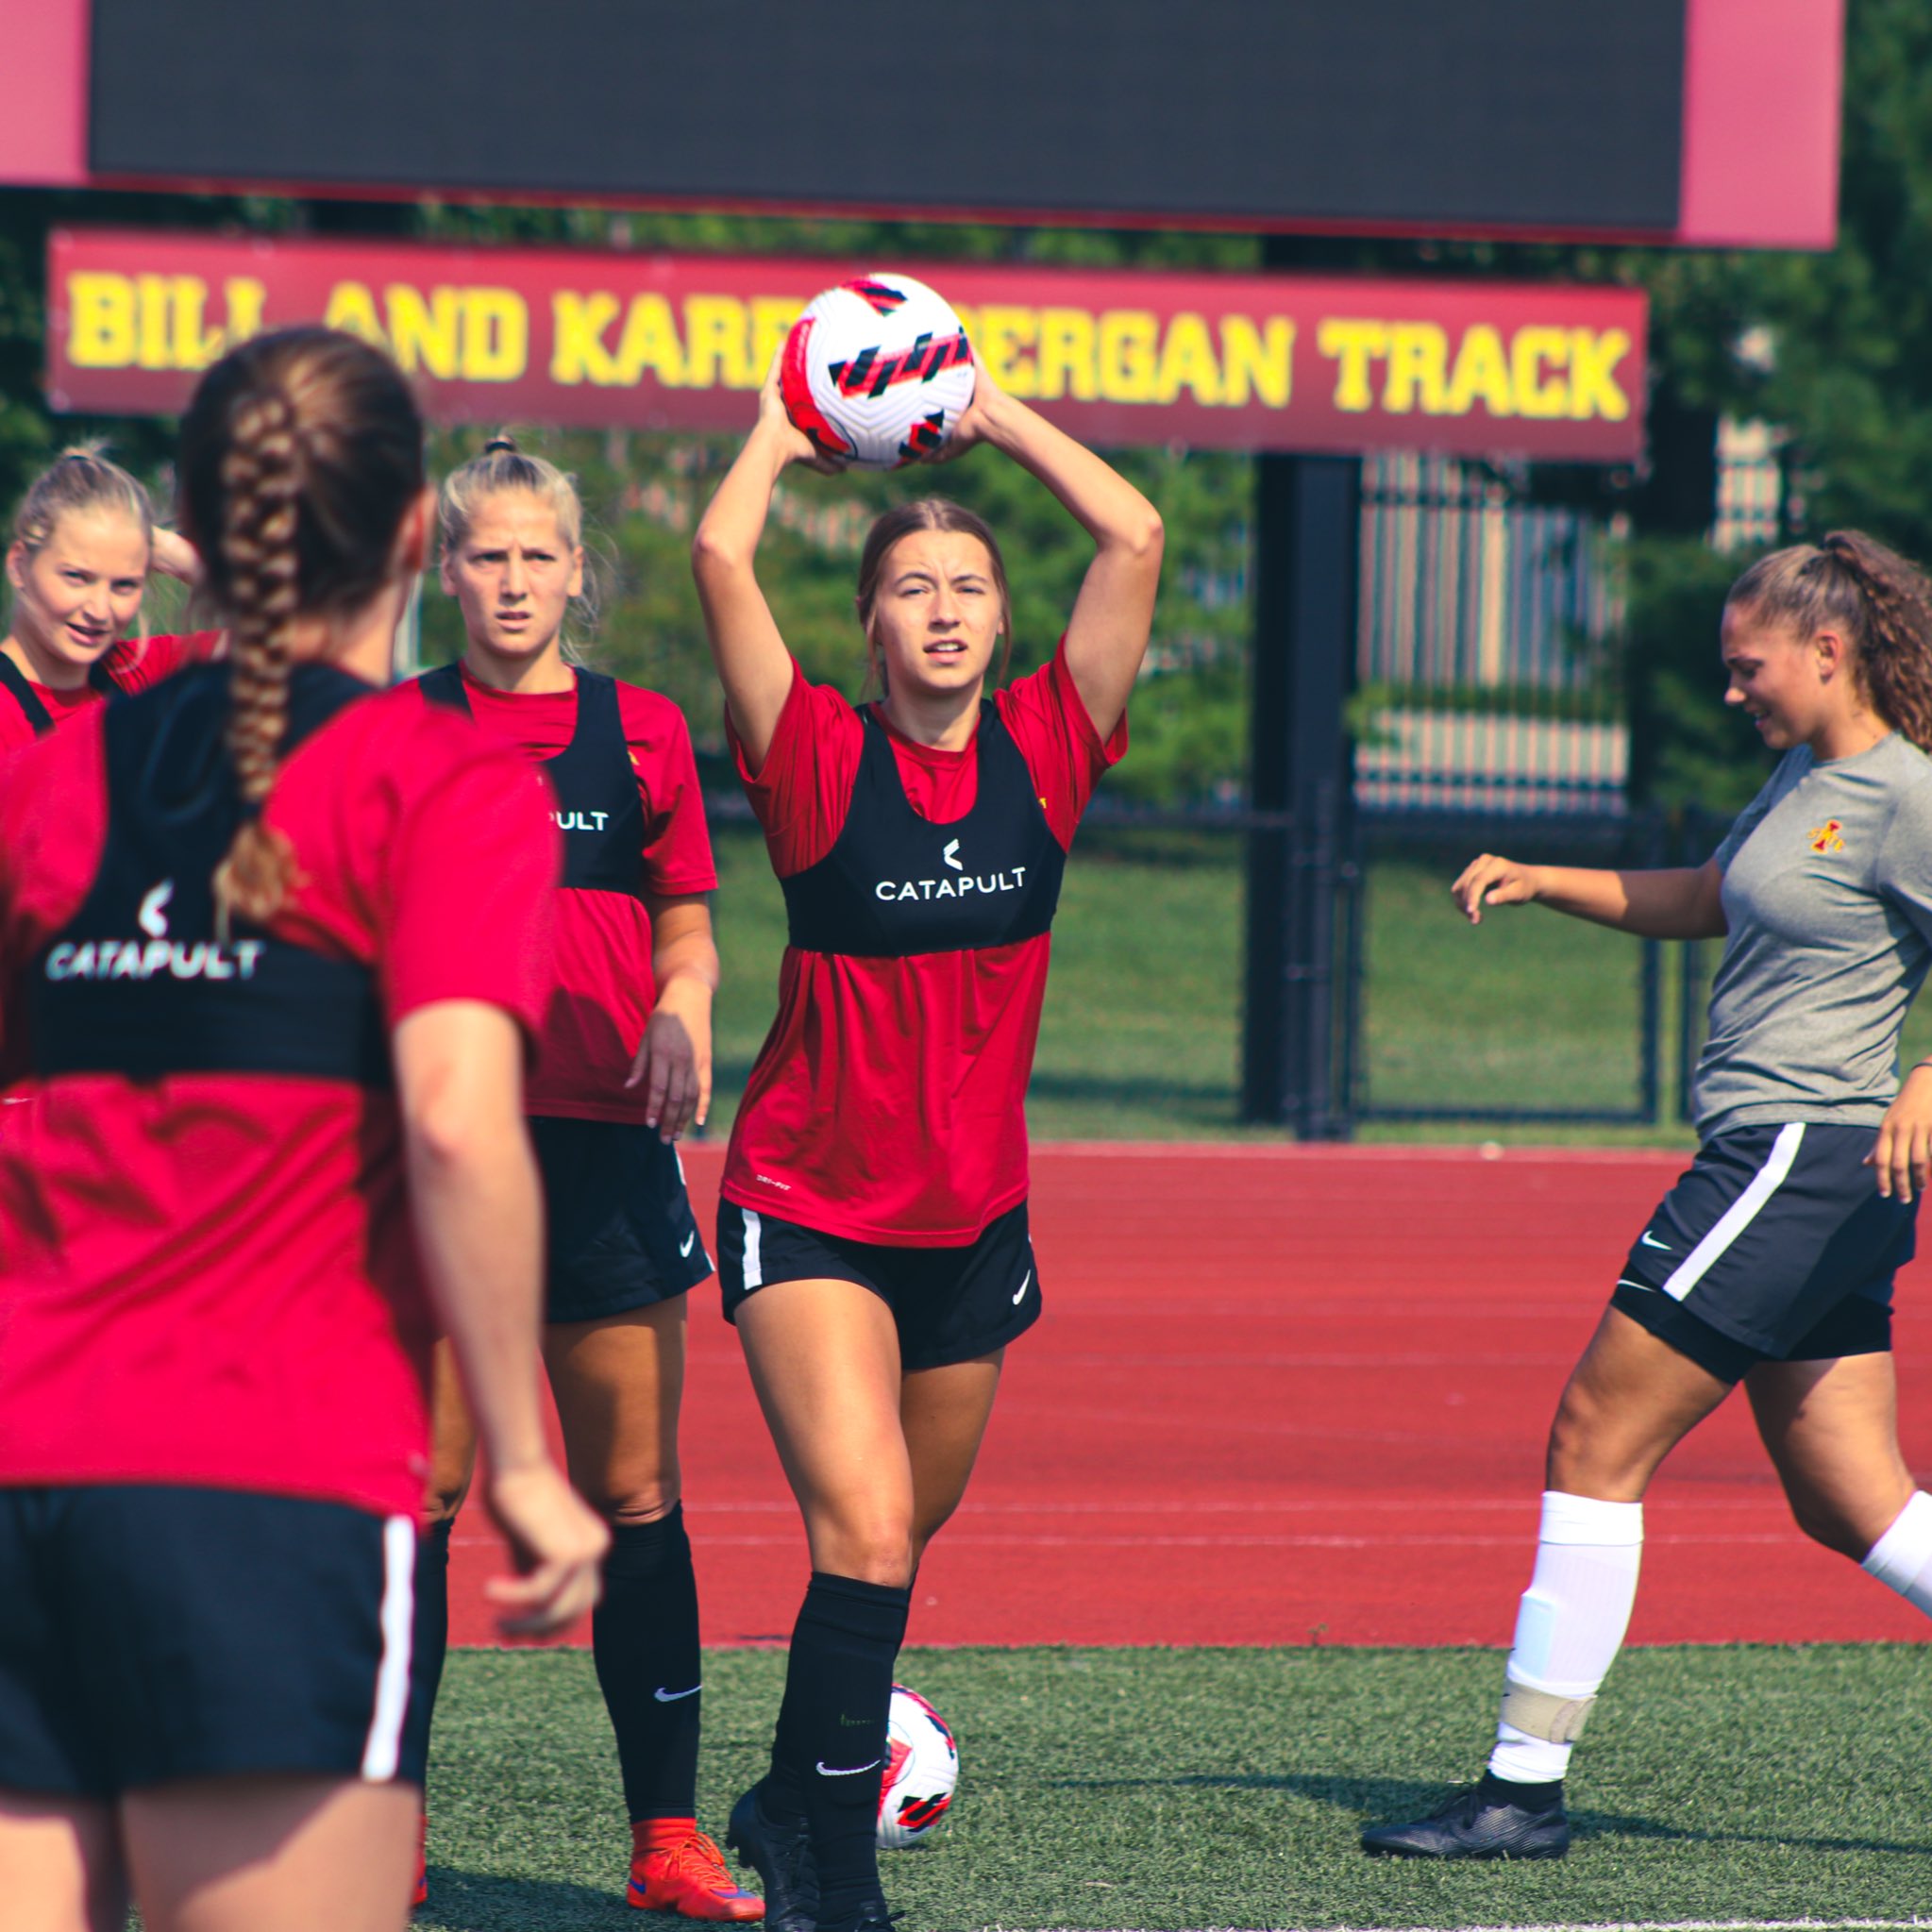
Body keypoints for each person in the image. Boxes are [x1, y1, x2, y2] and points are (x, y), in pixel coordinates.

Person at [0, 326, 608, 1932]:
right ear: (419, 534)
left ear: (186, 533)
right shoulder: (447, 782)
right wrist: (531, 1465)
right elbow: (464, 1131)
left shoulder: (61, 778)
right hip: (269, 1486)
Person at [1362, 530, 1932, 1860]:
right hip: (1805, 1171)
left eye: (1748, 667)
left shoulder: (1903, 792)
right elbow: (1706, 898)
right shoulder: (1801, 778)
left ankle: (1520, 1784)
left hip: (1797, 1157)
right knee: (1850, 1498)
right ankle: (1520, 1779)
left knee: (1589, 1436)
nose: (1731, 689)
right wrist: (1540, 876)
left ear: (1825, 651)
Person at [690, 357, 1163, 1932]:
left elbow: (1135, 532)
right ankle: (824, 1873)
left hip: (974, 1223)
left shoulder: (1049, 745)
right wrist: (796, 416)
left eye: (967, 585)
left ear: (1000, 624)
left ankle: (781, 1793)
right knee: (870, 1528)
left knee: (893, 1547)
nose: (944, 609)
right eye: (911, 588)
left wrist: (996, 416)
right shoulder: (816, 755)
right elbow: (715, 553)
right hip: (808, 1209)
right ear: (872, 627)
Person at [398, 436, 755, 1920]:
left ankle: (665, 1831)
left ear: (575, 570)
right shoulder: (392, 729)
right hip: (432, 1160)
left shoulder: (646, 734)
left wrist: (684, 1007)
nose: (515, 577)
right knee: (410, 1499)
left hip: (603, 1155)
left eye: (540, 553)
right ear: (446, 567)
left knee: (635, 1494)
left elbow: (691, 927)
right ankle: (380, 1828)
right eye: (487, 552)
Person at [1, 445, 215, 751]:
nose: (99, 610)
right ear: (19, 565)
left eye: (124, 585)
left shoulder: (139, 674)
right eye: (76, 577)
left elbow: (292, 634)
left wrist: (173, 551)